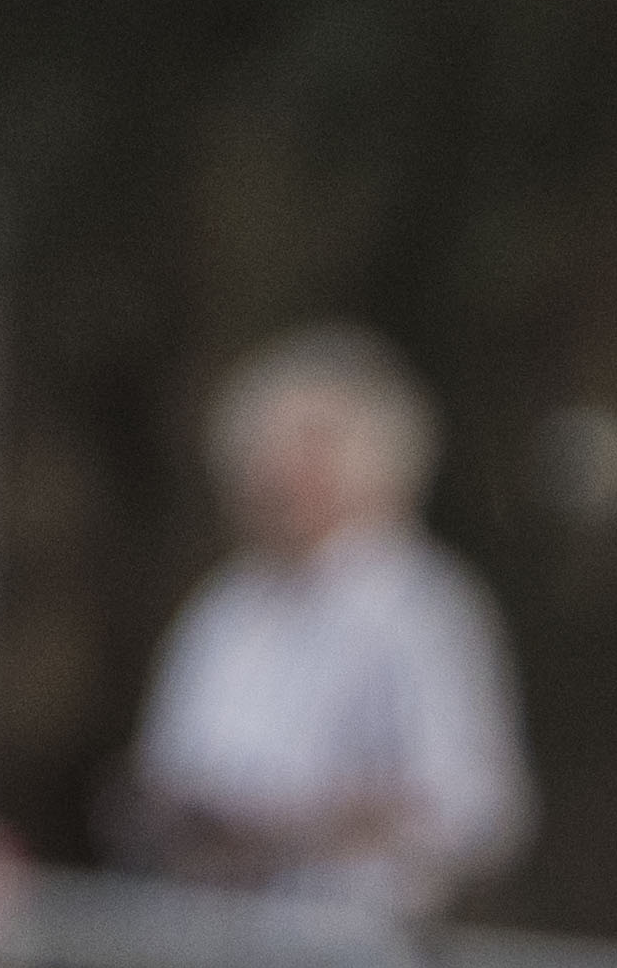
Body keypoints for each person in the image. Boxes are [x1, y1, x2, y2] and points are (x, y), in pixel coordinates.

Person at [126, 330, 522, 918]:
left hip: (348, 962)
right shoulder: (226, 607)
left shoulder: (420, 607)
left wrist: (305, 830)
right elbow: (170, 769)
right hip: (208, 952)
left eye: (309, 449)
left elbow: (473, 809)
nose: (277, 472)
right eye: (266, 448)